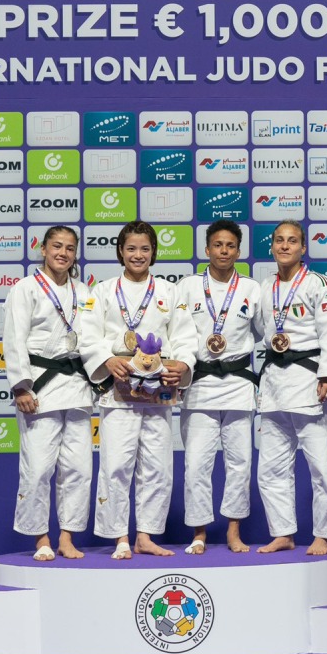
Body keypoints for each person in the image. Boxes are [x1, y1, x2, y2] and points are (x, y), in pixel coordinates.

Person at [78, 220, 197, 559]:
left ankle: (145, 535)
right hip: (119, 390)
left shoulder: (169, 292)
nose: (138, 254)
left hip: (158, 392)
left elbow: (186, 337)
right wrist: (106, 359)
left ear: (154, 252)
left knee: (157, 466)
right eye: (131, 248)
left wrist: (183, 366)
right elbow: (89, 335)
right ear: (120, 251)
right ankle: (119, 537)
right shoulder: (101, 291)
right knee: (116, 464)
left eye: (145, 248)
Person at [255, 220, 327, 557]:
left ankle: (324, 532)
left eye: (292, 241)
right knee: (272, 467)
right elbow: (260, 332)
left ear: (303, 247)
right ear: (272, 246)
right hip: (275, 384)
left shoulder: (320, 285)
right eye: (279, 240)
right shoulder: (265, 287)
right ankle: (283, 532)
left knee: (321, 466)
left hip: (310, 382)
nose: (284, 246)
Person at [3, 226, 94, 561]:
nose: (63, 253)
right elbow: (13, 340)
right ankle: (41, 537)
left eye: (70, 248)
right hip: (39, 385)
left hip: (77, 384)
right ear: (43, 249)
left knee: (79, 468)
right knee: (39, 467)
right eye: (57, 246)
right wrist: (21, 386)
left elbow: (91, 338)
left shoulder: (83, 291)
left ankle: (67, 536)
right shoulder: (25, 289)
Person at [176, 220, 262, 554]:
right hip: (199, 385)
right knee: (197, 463)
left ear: (238, 251)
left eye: (230, 246)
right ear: (207, 249)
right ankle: (199, 531)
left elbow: (264, 333)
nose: (223, 251)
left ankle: (233, 531)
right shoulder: (188, 287)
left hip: (239, 384)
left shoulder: (252, 289)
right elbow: (178, 332)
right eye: (217, 245)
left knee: (240, 461)